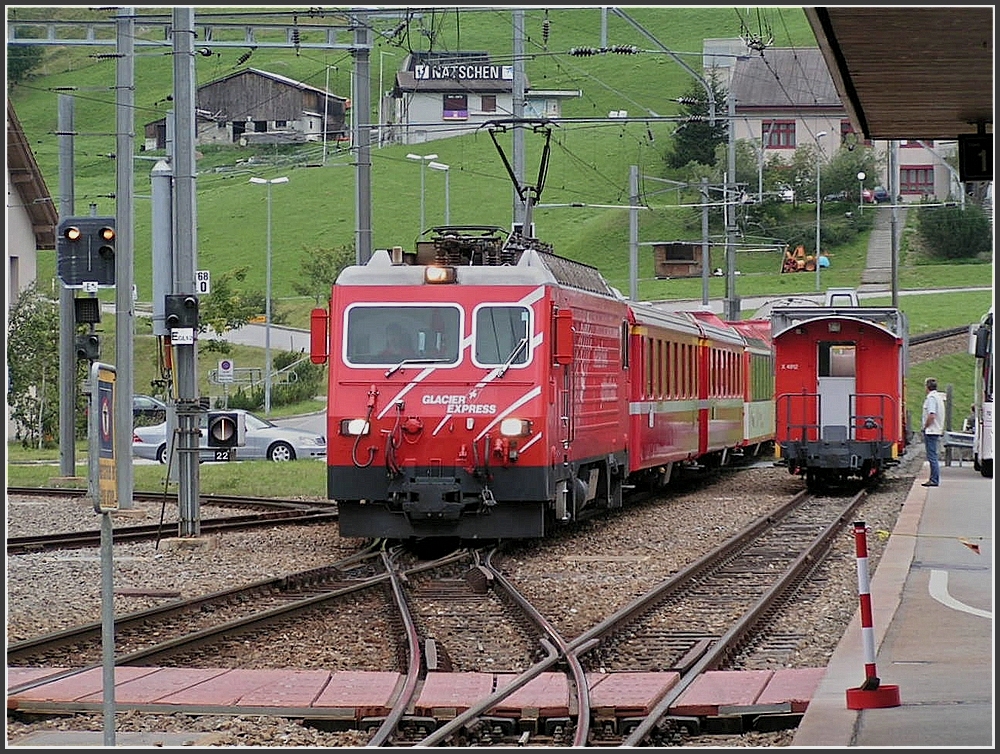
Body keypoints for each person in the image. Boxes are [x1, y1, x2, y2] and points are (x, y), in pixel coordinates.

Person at [921, 377, 944, 487]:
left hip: (931, 430)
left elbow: (931, 415)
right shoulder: (938, 397)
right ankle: (934, 478)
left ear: (927, 387)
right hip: (936, 429)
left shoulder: (931, 398)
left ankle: (934, 479)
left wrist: (925, 426)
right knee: (933, 455)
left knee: (932, 456)